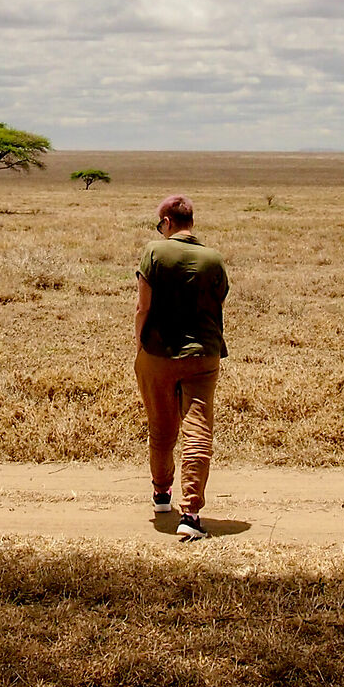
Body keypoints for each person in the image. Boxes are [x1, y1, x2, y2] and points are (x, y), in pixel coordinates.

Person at [135, 193, 229, 541]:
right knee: (198, 430)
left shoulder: (154, 252)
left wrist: (139, 342)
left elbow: (143, 307)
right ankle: (191, 513)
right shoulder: (214, 259)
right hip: (204, 354)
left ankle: (162, 495)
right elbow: (218, 300)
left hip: (157, 353)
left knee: (162, 431)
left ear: (168, 223)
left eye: (160, 225)